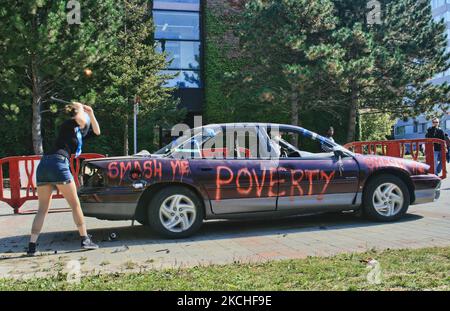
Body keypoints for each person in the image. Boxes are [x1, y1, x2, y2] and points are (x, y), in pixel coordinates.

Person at [27, 102, 101, 256]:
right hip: (58, 163)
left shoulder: (78, 132)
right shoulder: (69, 124)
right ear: (77, 114)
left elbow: (97, 131)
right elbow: (80, 119)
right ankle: (85, 239)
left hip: (45, 164)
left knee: (42, 208)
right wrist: (80, 107)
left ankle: (32, 246)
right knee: (75, 205)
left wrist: (91, 113)